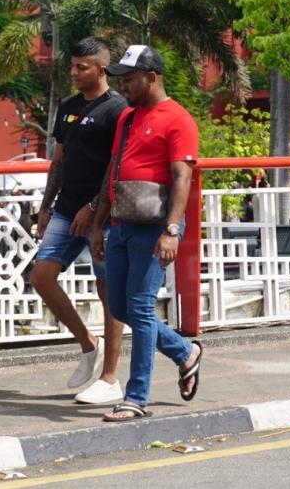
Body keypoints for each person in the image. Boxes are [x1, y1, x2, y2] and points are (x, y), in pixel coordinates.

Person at [90, 44, 202, 422]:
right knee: (120, 308)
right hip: (122, 220)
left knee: (139, 308)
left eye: (130, 79)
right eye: (120, 78)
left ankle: (136, 398)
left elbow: (182, 177)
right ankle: (185, 352)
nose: (122, 85)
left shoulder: (179, 119)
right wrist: (98, 224)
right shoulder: (127, 117)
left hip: (155, 226)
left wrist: (171, 230)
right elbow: (113, 169)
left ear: (151, 78)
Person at [31, 37, 127, 405]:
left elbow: (117, 167)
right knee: (41, 277)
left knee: (109, 292)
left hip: (103, 214)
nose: (73, 72)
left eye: (81, 67)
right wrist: (45, 205)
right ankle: (89, 345)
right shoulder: (68, 106)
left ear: (101, 70)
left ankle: (110, 378)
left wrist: (94, 207)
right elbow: (58, 160)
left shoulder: (117, 109)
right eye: (72, 66)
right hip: (66, 209)